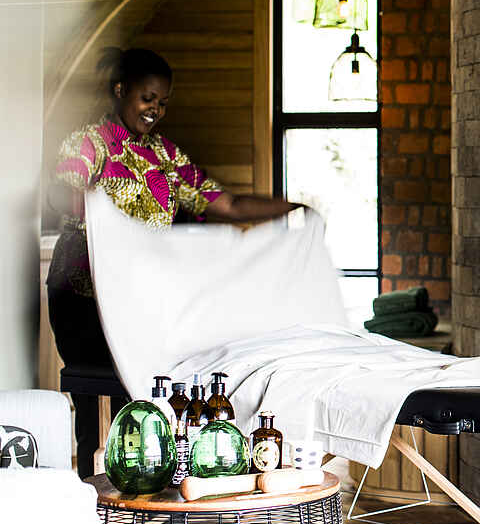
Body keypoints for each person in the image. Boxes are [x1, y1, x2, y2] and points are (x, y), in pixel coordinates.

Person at [47, 47, 301, 475]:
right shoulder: (92, 143)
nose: (155, 110)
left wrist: (292, 208)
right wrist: (91, 202)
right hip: (85, 297)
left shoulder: (164, 155)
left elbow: (229, 205)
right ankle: (93, 492)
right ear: (120, 90)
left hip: (139, 299)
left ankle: (145, 488)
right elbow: (59, 193)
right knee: (98, 408)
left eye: (163, 103)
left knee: (146, 399)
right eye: (148, 98)